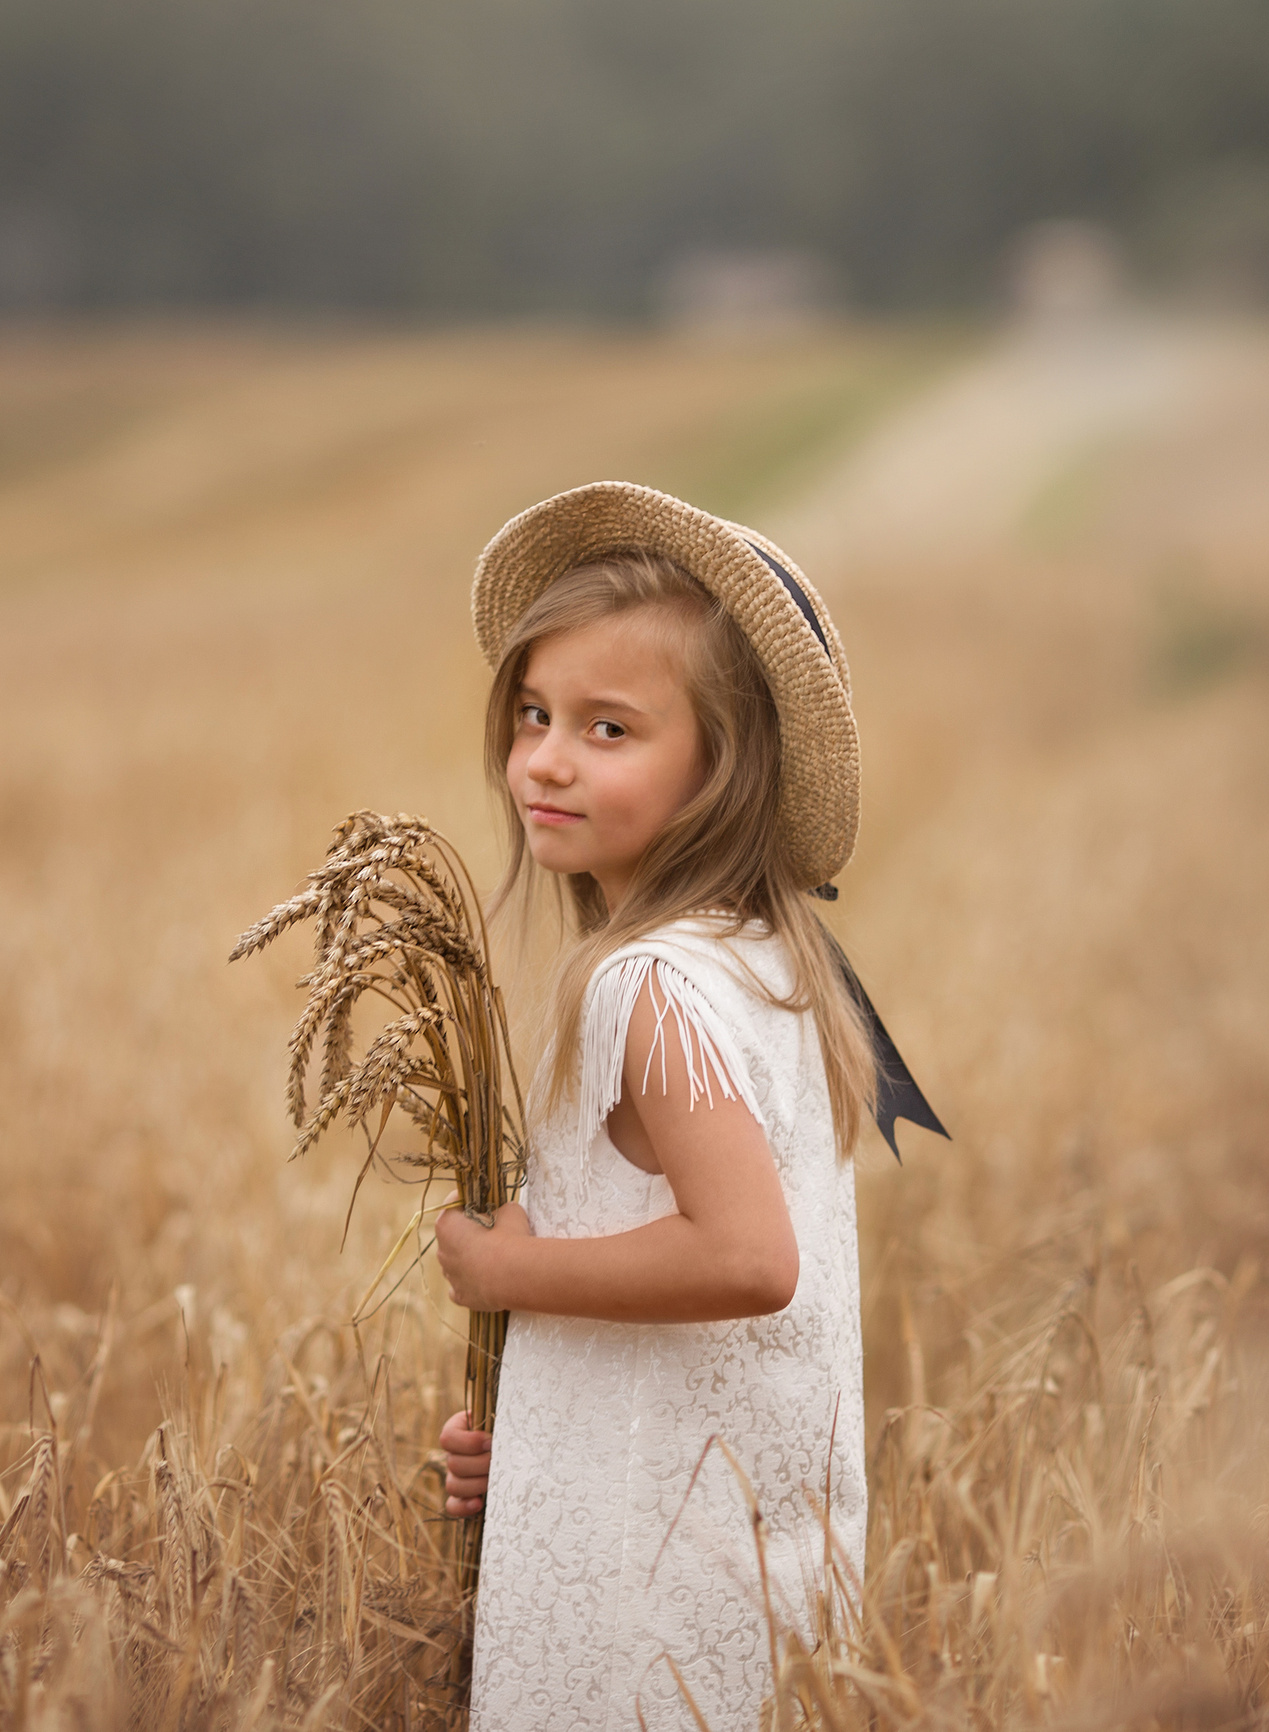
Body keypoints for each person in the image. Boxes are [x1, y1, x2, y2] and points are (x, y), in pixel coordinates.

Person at [433, 481, 880, 1730]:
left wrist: (502, 1272)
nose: (546, 759)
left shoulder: (646, 982)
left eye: (610, 729)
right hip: (739, 1557)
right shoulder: (763, 958)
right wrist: (525, 1427)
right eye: (533, 713)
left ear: (720, 766)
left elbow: (743, 1257)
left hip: (643, 1595)